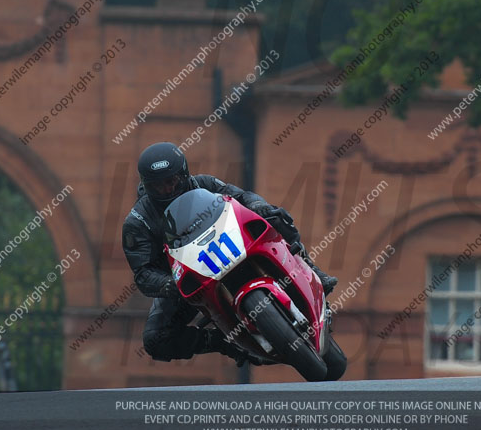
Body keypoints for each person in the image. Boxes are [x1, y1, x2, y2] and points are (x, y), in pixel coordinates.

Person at [122, 142, 338, 365]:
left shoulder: (203, 183)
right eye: (159, 186)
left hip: (232, 244)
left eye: (171, 181)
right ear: (147, 186)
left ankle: (312, 270)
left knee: (275, 216)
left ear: (184, 174)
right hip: (188, 279)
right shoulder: (138, 222)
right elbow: (143, 273)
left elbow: (242, 197)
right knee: (155, 339)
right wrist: (170, 285)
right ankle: (227, 343)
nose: (167, 189)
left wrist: (259, 206)